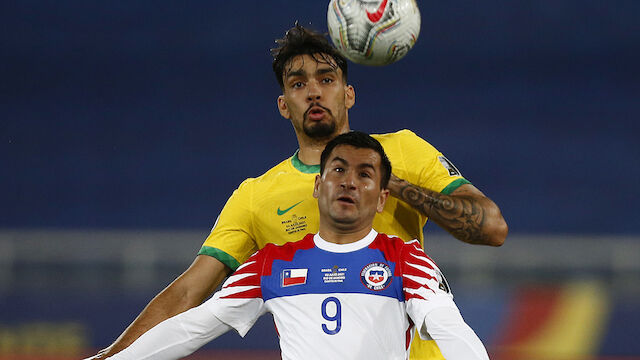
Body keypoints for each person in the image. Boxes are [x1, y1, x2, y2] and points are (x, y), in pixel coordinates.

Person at [91, 24, 507, 360]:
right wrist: (110, 356)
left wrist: (396, 185)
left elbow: (491, 228)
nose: (313, 91)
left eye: (326, 79)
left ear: (348, 94)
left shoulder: (402, 151)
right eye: (297, 83)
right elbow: (188, 296)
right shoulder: (256, 197)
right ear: (283, 104)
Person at [104, 131, 491, 360]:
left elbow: (449, 327)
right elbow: (191, 327)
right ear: (317, 185)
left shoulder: (406, 260)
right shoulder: (271, 264)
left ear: (382, 198)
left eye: (365, 174)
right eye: (338, 170)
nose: (349, 182)